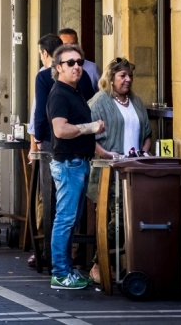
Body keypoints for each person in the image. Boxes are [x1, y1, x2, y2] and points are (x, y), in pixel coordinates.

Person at [46, 44, 115, 289]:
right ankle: (60, 273)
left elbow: (83, 133)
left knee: (70, 220)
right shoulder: (59, 94)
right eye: (70, 63)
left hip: (78, 163)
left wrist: (104, 152)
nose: (77, 66)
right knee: (64, 220)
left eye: (79, 62)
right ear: (58, 68)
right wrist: (91, 127)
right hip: (68, 164)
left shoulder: (74, 92)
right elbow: (60, 130)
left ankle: (67, 271)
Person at [87, 57, 152, 283]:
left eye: (130, 76)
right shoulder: (99, 101)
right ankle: (99, 263)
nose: (127, 80)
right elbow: (88, 134)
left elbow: (147, 134)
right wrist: (106, 154)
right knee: (122, 218)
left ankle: (113, 264)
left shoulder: (136, 101)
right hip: (111, 169)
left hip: (135, 169)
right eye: (122, 76)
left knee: (133, 217)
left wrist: (144, 152)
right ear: (111, 78)